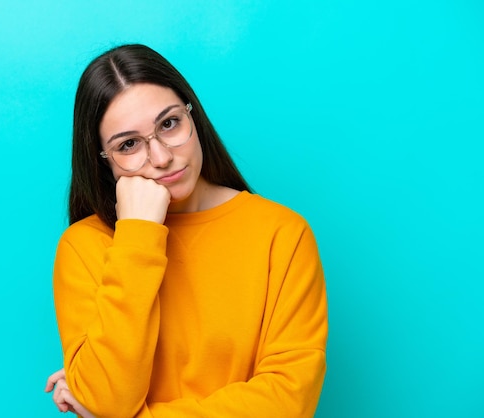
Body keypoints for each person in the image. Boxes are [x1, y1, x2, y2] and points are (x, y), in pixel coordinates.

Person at [43, 43, 328, 417]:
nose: (161, 157)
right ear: (103, 161)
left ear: (194, 116)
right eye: (128, 145)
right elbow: (109, 398)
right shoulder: (84, 247)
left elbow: (289, 400)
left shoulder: (281, 234)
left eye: (169, 123)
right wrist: (138, 238)